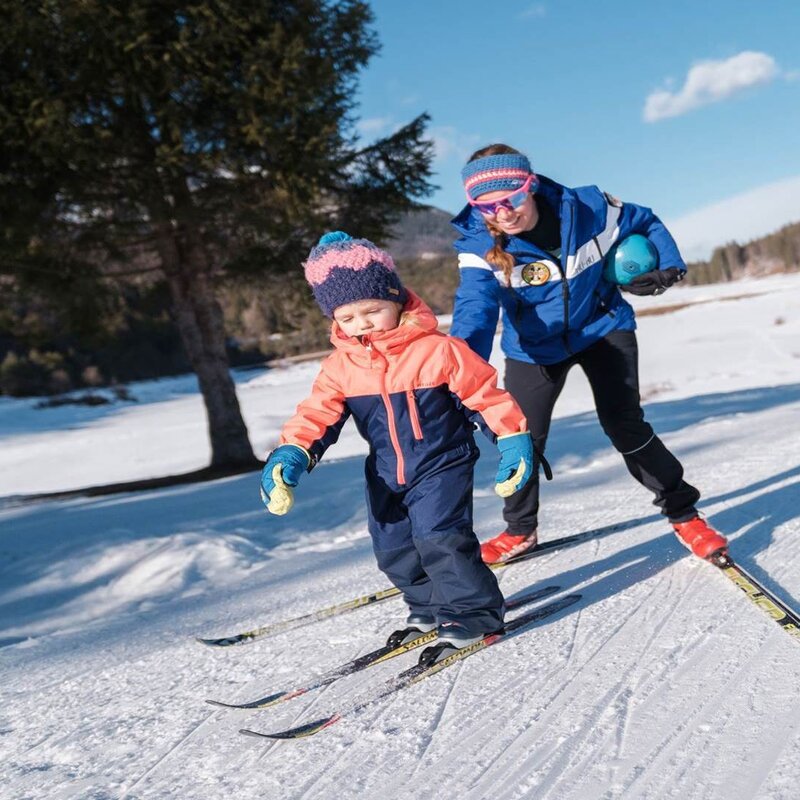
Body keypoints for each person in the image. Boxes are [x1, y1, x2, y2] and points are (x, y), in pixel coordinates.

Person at [259, 231, 535, 655]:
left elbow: (485, 395)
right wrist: (292, 452)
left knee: (439, 535)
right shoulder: (340, 367)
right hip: (386, 469)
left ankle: (473, 612)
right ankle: (427, 606)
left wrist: (512, 438)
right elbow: (317, 414)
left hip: (442, 461)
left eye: (372, 310)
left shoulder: (438, 350)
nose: (362, 324)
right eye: (347, 318)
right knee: (393, 546)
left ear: (397, 300)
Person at [450, 144, 728, 564]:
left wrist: (669, 265)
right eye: (486, 206)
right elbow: (476, 307)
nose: (503, 214)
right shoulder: (477, 243)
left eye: (513, 198)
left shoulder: (590, 211)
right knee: (519, 437)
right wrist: (461, 365)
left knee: (624, 424)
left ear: (532, 184)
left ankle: (684, 513)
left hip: (603, 328)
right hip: (534, 348)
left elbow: (646, 219)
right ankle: (520, 530)